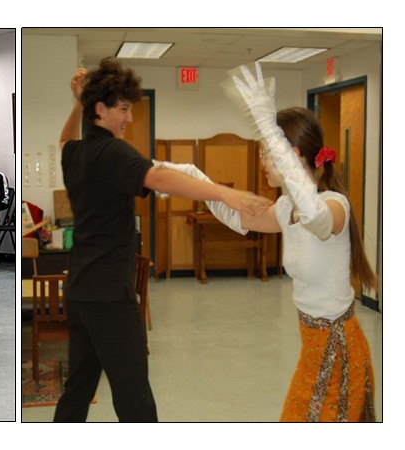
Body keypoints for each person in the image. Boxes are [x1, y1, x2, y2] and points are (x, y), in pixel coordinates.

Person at [52, 58, 272, 422]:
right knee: (134, 394)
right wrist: (222, 193)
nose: (129, 118)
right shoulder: (114, 152)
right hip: (109, 296)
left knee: (78, 388)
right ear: (101, 109)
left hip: (79, 293)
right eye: (123, 109)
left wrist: (79, 100)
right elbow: (159, 178)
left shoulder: (76, 153)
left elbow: (63, 139)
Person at [182, 63, 375, 422]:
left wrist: (270, 130)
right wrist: (193, 181)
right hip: (313, 347)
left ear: (293, 156)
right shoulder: (287, 206)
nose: (262, 160)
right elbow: (240, 218)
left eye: (267, 152)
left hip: (337, 348)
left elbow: (316, 218)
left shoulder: (335, 205)